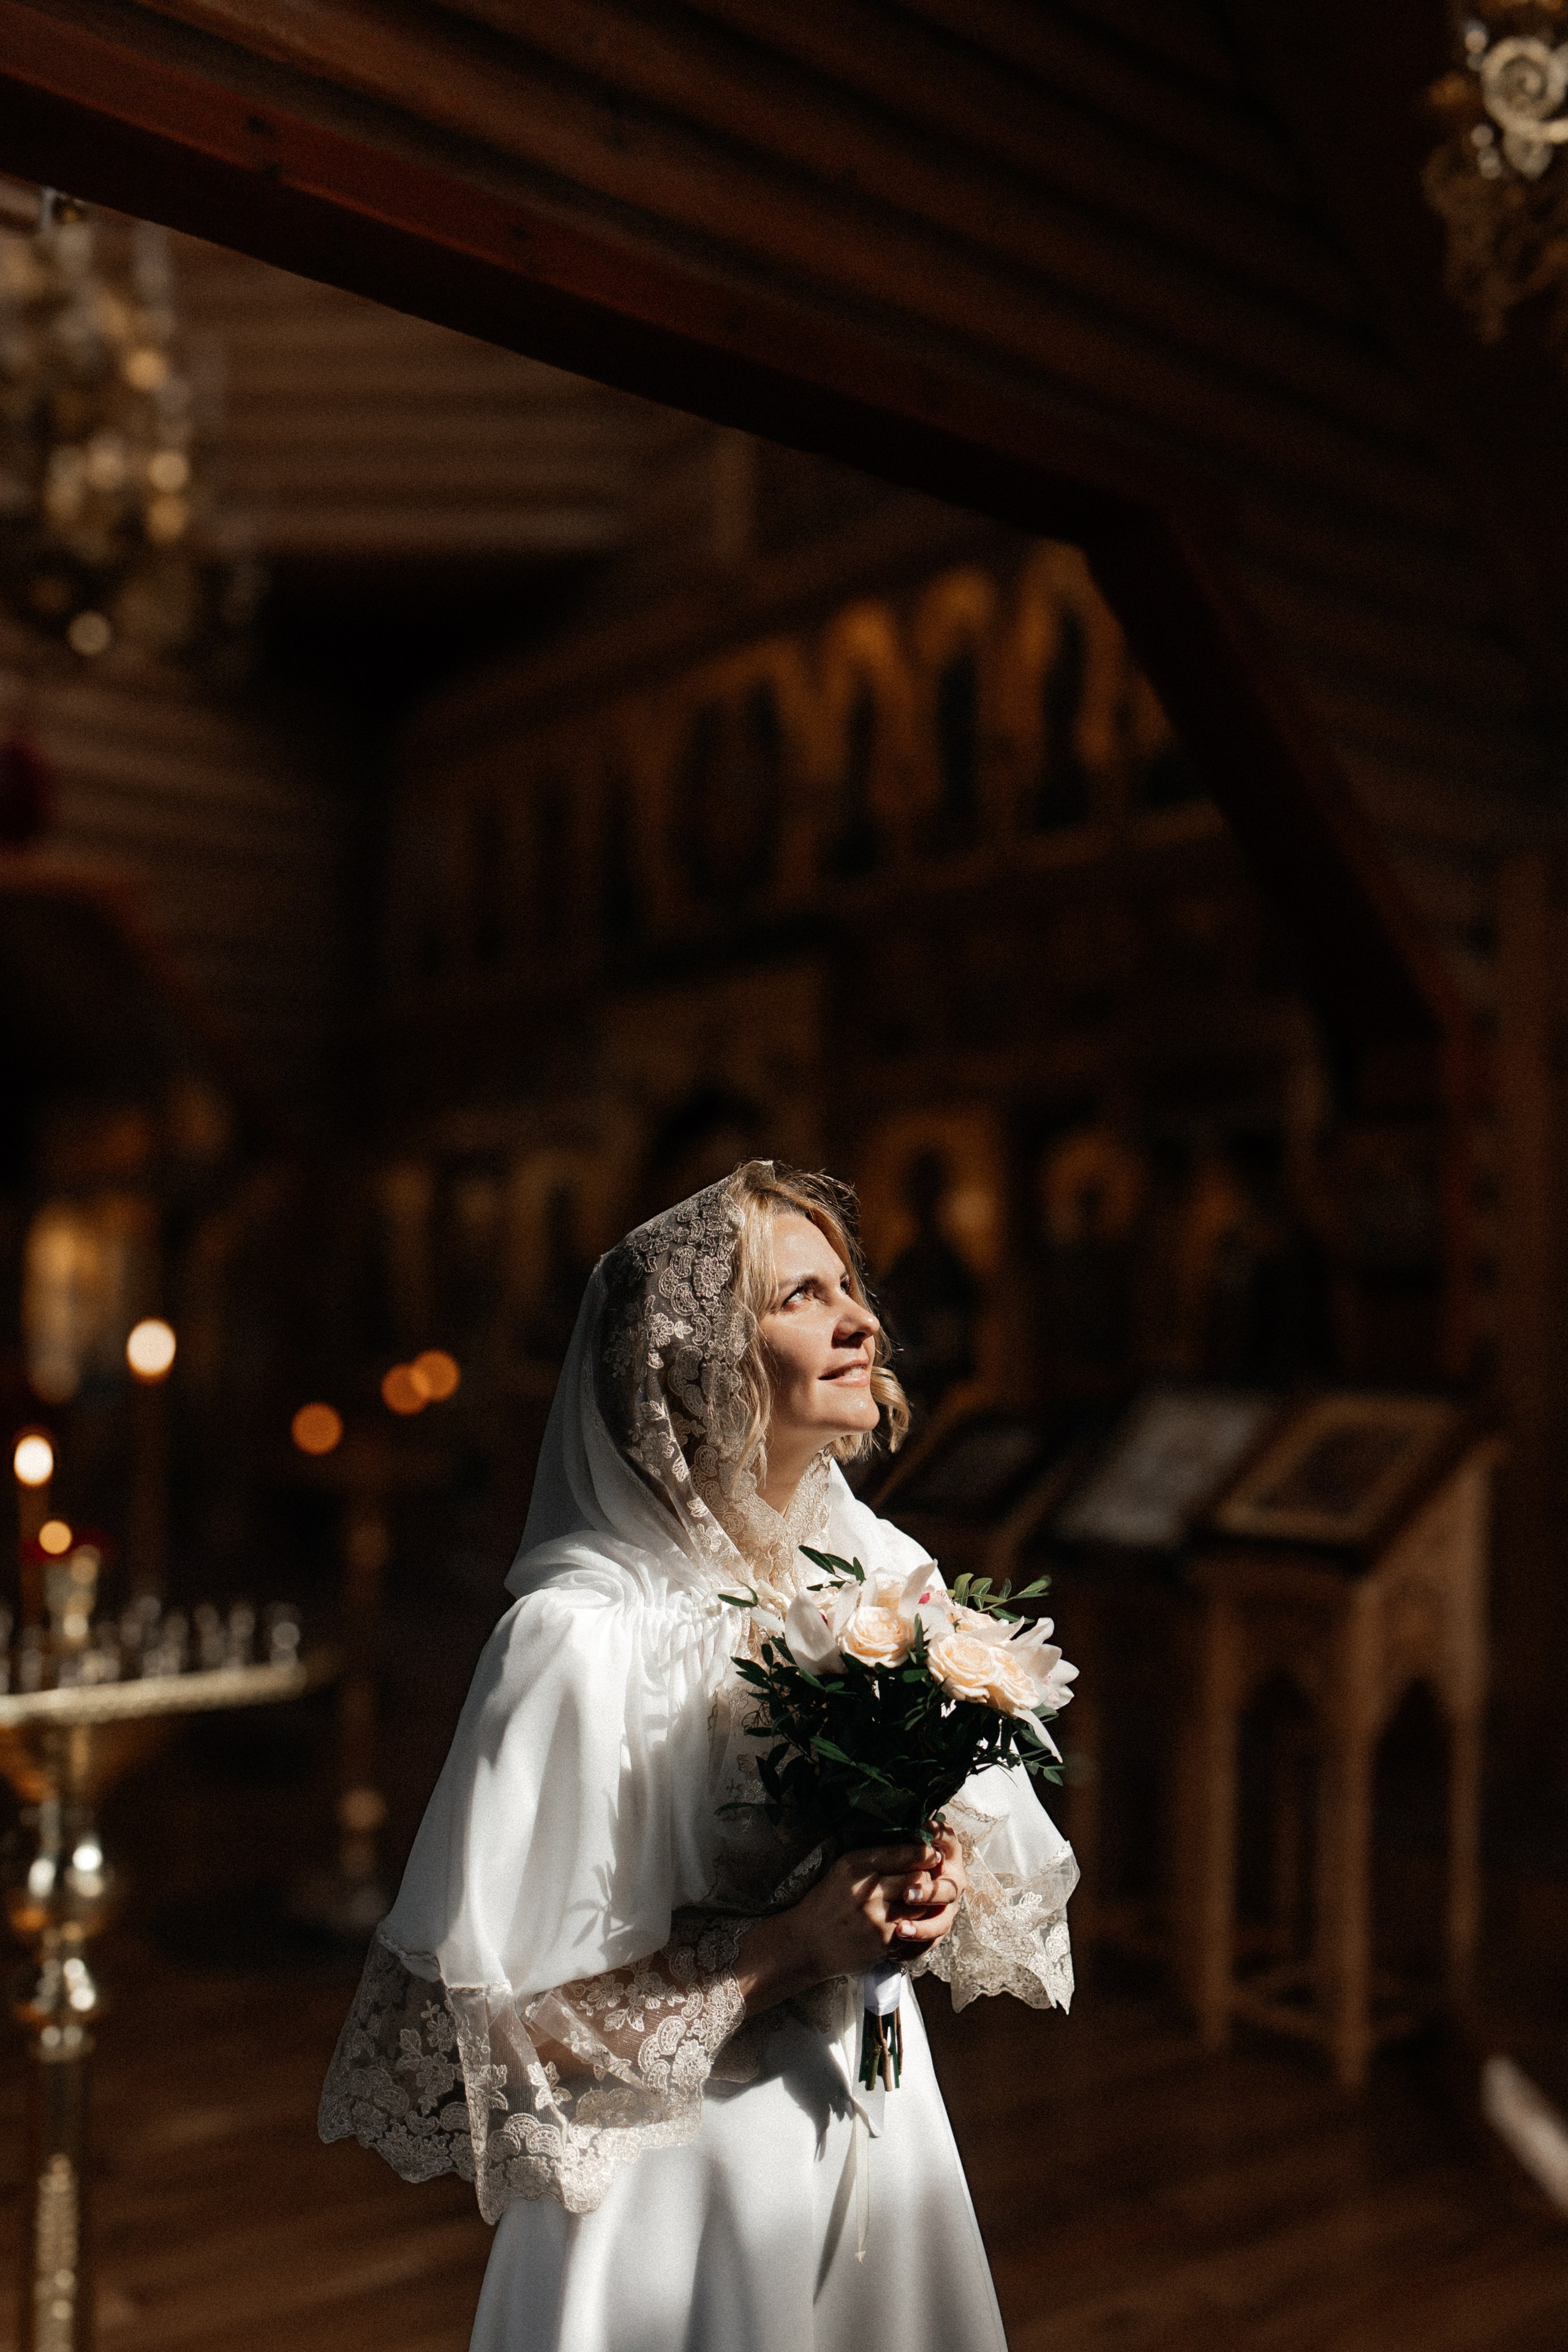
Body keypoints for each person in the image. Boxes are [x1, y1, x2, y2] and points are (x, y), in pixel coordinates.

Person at [320, 1161, 1077, 2351]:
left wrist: (926, 1877)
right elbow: (499, 2050)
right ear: (694, 1356)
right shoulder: (580, 1638)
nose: (861, 1319)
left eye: (850, 1285)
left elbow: (988, 1862)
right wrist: (782, 1948)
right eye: (799, 1297)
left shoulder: (885, 1574)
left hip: (878, 2120)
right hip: (674, 2191)